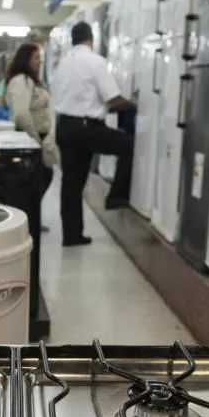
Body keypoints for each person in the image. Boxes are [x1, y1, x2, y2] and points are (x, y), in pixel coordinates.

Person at [51, 21, 137, 247]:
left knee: (71, 184)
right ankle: (117, 196)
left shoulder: (63, 64)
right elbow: (113, 98)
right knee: (129, 145)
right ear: (91, 39)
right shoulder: (96, 62)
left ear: (73, 39)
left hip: (65, 127)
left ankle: (72, 235)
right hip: (87, 128)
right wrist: (133, 104)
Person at [5, 42, 57, 228]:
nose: (39, 62)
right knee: (36, 180)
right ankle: (27, 220)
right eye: (36, 58)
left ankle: (31, 218)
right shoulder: (21, 81)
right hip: (29, 139)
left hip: (37, 138)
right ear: (25, 59)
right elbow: (21, 113)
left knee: (41, 178)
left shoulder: (30, 80)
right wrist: (34, 139)